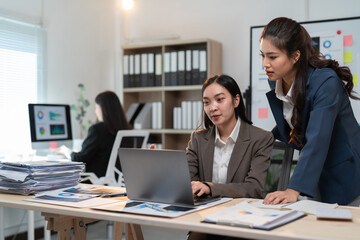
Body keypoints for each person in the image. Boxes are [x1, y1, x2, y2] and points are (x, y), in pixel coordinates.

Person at [260, 17, 360, 206]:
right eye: (262, 55)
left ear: (295, 56)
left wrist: (292, 190)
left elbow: (318, 137)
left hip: (347, 174)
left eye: (272, 57)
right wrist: (261, 138)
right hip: (316, 175)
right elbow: (293, 120)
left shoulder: (325, 81)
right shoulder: (276, 79)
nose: (265, 63)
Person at [187, 74, 274, 199]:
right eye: (206, 102)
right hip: (204, 212)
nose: (212, 108)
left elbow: (253, 188)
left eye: (220, 99)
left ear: (236, 100)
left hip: (241, 213)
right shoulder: (198, 139)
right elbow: (186, 182)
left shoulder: (261, 138)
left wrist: (210, 188)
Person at [69, 90, 130, 177]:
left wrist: (69, 152)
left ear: (102, 108)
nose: (95, 111)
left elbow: (81, 159)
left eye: (96, 107)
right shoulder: (126, 130)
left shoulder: (97, 130)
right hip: (119, 182)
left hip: (96, 181)